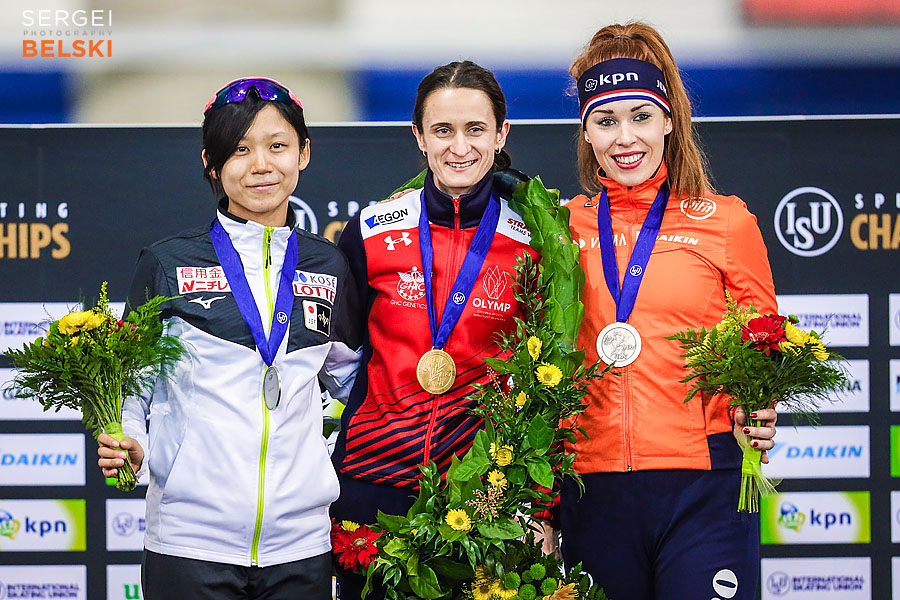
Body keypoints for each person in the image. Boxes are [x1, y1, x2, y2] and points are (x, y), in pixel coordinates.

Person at [96, 77, 362, 600]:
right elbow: (133, 386)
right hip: (189, 543)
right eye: (239, 150)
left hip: (302, 545)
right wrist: (132, 443)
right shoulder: (167, 263)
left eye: (277, 145)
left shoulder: (329, 264)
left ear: (303, 152)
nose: (261, 164)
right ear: (211, 164)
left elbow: (353, 381)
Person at [560, 23, 778, 600]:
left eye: (640, 117)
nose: (624, 137)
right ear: (585, 131)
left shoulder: (726, 221)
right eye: (605, 121)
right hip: (592, 486)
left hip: (704, 486)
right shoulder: (559, 227)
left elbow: (765, 342)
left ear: (669, 122)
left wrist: (760, 407)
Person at [330, 60, 538, 600]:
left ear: (501, 135)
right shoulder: (372, 229)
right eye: (442, 130)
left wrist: (538, 501)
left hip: (481, 492)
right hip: (372, 477)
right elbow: (337, 361)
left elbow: (548, 373)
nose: (459, 146)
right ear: (419, 137)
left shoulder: (534, 240)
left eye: (475, 129)